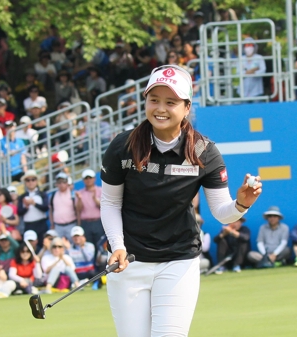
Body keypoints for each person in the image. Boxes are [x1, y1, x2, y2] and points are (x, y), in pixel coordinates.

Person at [99, 64, 262, 336]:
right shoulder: (122, 145)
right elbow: (111, 203)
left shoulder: (204, 152)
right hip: (129, 260)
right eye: (154, 100)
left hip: (178, 262)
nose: (160, 108)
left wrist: (240, 204)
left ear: (186, 107)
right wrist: (117, 245)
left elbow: (222, 213)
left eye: (171, 102)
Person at [17, 170, 49, 247]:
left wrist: (34, 204)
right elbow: (19, 212)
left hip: (41, 224)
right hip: (28, 225)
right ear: (25, 182)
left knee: (43, 245)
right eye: (28, 180)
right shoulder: (22, 196)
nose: (30, 182)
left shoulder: (42, 194)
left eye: (33, 179)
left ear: (36, 181)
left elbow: (46, 208)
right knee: (29, 247)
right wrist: (26, 207)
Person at [75, 169, 104, 252]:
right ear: (83, 180)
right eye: (86, 178)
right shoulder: (80, 193)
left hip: (98, 222)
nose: (88, 180)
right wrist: (79, 199)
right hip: (86, 223)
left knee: (101, 245)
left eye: (90, 178)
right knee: (88, 246)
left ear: (94, 179)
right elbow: (78, 209)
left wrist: (95, 198)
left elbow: (104, 206)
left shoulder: (100, 190)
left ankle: (100, 264)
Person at [49, 172, 77, 243]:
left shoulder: (73, 194)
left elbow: (78, 211)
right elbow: (51, 211)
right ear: (56, 184)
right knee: (57, 245)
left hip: (71, 225)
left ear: (67, 182)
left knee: (74, 245)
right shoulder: (53, 195)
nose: (61, 184)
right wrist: (52, 224)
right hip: (58, 226)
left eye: (63, 182)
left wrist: (79, 224)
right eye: (59, 182)